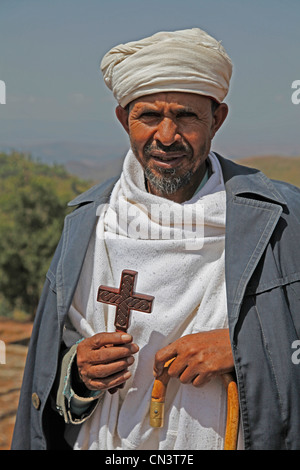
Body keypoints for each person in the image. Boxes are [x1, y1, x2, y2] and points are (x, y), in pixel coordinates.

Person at [11, 28, 300, 451]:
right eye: (148, 116)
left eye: (186, 116)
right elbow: (50, 367)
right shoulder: (88, 222)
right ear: (123, 119)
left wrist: (240, 350)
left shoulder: (281, 219)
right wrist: (79, 373)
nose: (166, 136)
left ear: (216, 119)